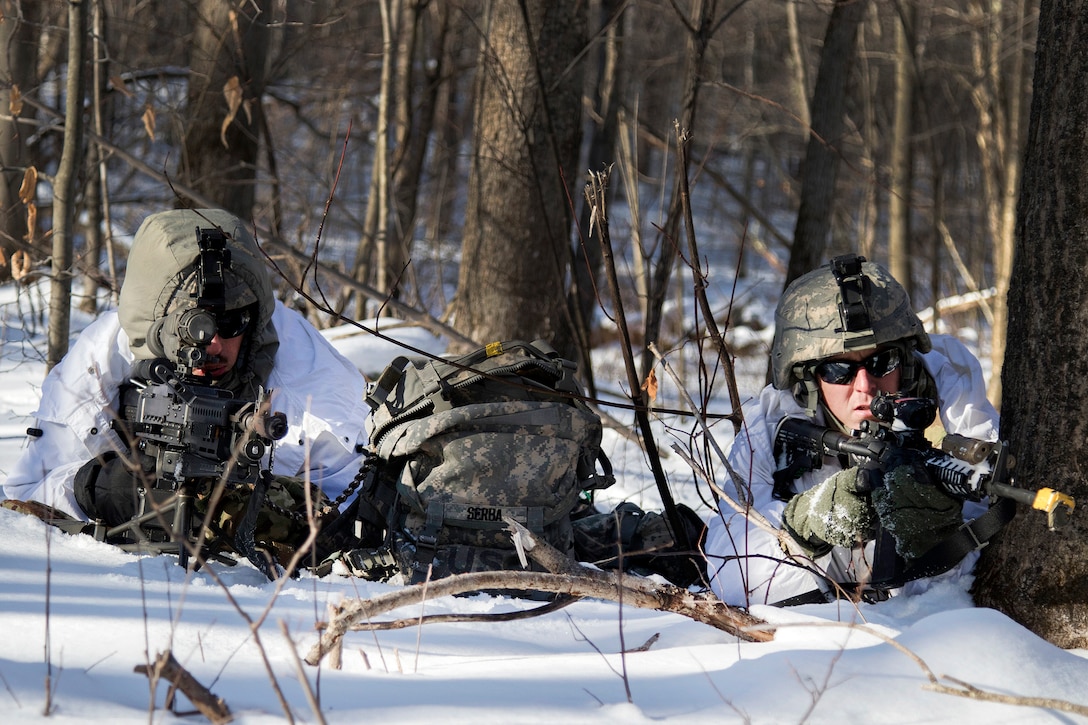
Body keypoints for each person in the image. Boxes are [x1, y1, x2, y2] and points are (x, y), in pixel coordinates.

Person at [2, 208, 370, 566]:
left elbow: (354, 517)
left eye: (231, 323)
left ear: (255, 320)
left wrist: (252, 505)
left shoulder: (310, 377)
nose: (212, 345)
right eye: (195, 326)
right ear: (156, 323)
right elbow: (23, 510)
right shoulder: (99, 365)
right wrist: (100, 487)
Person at [704, 254, 1000, 607]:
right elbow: (729, 572)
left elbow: (996, 550)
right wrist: (802, 527)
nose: (865, 386)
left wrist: (939, 535)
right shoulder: (771, 424)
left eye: (881, 362)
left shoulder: (951, 395)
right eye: (838, 370)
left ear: (904, 363)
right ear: (809, 378)